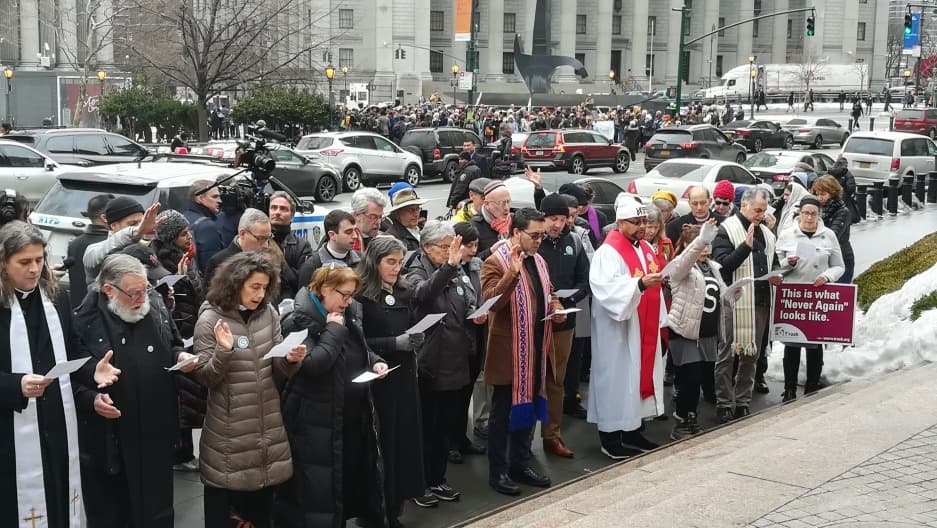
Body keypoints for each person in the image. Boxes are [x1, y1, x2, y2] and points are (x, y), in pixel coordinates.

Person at [72, 254, 196, 527]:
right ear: (109, 290)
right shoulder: (84, 321)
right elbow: (71, 380)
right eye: (134, 293)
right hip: (112, 439)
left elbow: (173, 343)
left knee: (158, 508)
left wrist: (180, 358)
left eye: (145, 290)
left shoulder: (156, 305)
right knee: (116, 513)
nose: (142, 298)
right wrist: (92, 399)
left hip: (155, 431)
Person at [193, 252, 306, 528]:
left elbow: (275, 372)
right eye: (254, 286)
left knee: (262, 512)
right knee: (228, 514)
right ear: (236, 283)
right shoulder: (210, 320)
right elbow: (205, 377)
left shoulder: (268, 313)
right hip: (229, 432)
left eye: (265, 287)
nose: (260, 293)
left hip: (266, 425)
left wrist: (289, 361)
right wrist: (224, 350)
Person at [275, 264, 390, 528]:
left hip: (348, 415)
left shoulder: (340, 312)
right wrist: (334, 330)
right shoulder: (299, 319)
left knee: (345, 482)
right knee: (317, 492)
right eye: (345, 295)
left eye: (351, 296)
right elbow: (315, 365)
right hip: (315, 421)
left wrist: (375, 361)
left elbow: (358, 348)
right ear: (325, 289)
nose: (349, 302)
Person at [0, 221, 91, 527]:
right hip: (9, 431)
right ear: (3, 263)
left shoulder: (56, 296)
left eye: (39, 260)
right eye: (24, 262)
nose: (34, 269)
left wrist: (94, 369)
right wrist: (15, 384)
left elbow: (73, 347)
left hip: (56, 425)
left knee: (60, 501)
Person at [481, 208, 565, 495]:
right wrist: (511, 276)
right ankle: (498, 471)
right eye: (534, 235)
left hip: (537, 348)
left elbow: (548, 292)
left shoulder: (539, 260)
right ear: (516, 233)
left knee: (527, 411)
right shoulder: (495, 262)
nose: (539, 240)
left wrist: (557, 307)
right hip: (510, 354)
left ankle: (520, 461)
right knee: (502, 415)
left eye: (542, 235)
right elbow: (490, 303)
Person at [402, 222, 484, 506]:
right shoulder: (416, 269)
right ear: (427, 247)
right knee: (426, 427)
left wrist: (475, 313)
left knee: (444, 428)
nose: (452, 251)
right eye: (445, 246)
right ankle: (418, 483)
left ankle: (437, 479)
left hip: (456, 358)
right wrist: (449, 265)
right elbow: (421, 295)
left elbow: (467, 297)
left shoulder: (456, 269)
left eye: (453, 246)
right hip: (429, 363)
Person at [355, 236, 432, 519]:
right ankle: (375, 510)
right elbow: (360, 342)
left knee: (405, 441)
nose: (396, 268)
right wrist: (393, 343)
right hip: (379, 380)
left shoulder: (404, 290)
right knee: (382, 446)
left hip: (405, 378)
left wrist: (415, 337)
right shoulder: (361, 295)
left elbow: (410, 323)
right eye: (390, 262)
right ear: (374, 262)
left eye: (399, 262)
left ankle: (398, 504)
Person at [588, 194, 666, 459]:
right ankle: (610, 438)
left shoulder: (644, 248)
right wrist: (640, 285)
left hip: (641, 325)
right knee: (616, 382)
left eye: (644, 221)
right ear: (620, 222)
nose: (642, 227)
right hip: (617, 331)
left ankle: (633, 431)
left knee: (635, 382)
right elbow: (607, 291)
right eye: (636, 222)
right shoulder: (607, 253)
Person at [711, 188, 782, 423]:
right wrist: (745, 247)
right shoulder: (727, 229)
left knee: (751, 354)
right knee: (728, 353)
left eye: (764, 210)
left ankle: (742, 401)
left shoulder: (767, 234)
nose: (761, 214)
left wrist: (777, 275)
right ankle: (723, 402)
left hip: (760, 301)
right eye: (757, 209)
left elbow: (774, 263)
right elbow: (722, 267)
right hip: (735, 302)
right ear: (744, 206)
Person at [536, 194, 590, 458]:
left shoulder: (575, 243)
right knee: (527, 380)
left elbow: (585, 281)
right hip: (534, 323)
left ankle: (552, 435)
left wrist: (566, 300)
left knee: (556, 381)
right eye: (552, 219)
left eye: (562, 219)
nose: (558, 225)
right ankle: (521, 438)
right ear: (542, 217)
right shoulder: (533, 243)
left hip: (564, 322)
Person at [775, 196, 844, 402]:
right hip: (794, 296)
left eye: (814, 213)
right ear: (799, 213)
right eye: (806, 213)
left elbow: (839, 265)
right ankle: (789, 389)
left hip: (817, 295)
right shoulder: (787, 235)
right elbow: (776, 267)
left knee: (815, 345)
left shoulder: (828, 235)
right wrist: (788, 262)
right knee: (792, 344)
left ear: (819, 214)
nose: (810, 217)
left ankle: (812, 387)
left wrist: (827, 276)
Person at [663, 222, 722, 439]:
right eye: (701, 243)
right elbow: (685, 261)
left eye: (709, 243)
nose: (706, 248)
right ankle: (679, 422)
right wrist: (700, 241)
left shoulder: (712, 266)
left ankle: (691, 416)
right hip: (684, 331)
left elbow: (717, 292)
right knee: (690, 378)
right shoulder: (681, 265)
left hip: (706, 333)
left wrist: (730, 295)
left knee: (699, 380)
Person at [82, 197, 160, 283]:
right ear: (114, 226)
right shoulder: (96, 250)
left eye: (141, 222)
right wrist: (134, 232)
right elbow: (93, 258)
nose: (139, 226)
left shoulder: (146, 246)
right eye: (132, 224)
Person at [203, 208, 271, 286]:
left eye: (268, 238)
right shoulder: (219, 263)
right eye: (260, 238)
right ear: (242, 234)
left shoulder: (271, 258)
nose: (266, 245)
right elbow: (211, 296)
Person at [67, 193, 113, 308]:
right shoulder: (110, 245)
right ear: (105, 218)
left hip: (78, 310)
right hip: (102, 313)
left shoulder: (74, 244)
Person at [297, 210, 362, 289]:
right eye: (348, 232)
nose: (355, 236)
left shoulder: (361, 260)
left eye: (355, 230)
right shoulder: (312, 266)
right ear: (332, 235)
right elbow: (304, 299)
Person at [269, 191, 313, 301]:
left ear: (292, 216)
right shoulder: (257, 241)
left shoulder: (302, 246)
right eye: (273, 208)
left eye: (283, 209)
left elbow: (301, 283)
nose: (277, 212)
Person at [813, 176, 855, 284]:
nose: (819, 198)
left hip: (841, 259)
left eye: (823, 194)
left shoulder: (843, 212)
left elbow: (832, 236)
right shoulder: (816, 210)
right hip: (820, 260)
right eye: (817, 194)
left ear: (832, 193)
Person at [185, 180, 225, 274]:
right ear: (200, 198)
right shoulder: (207, 226)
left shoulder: (184, 217)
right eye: (214, 196)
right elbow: (211, 266)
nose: (220, 201)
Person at [471, 180, 513, 261]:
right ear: (487, 204)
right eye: (500, 203)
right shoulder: (475, 226)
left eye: (508, 202)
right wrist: (491, 251)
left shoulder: (514, 220)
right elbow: (470, 261)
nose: (506, 208)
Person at [382, 185, 428, 252]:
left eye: (417, 209)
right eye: (411, 210)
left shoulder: (419, 229)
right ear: (397, 213)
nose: (416, 214)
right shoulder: (392, 240)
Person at [350, 187, 389, 253]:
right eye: (373, 217)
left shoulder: (384, 239)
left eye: (380, 217)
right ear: (356, 215)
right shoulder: (346, 242)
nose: (378, 222)